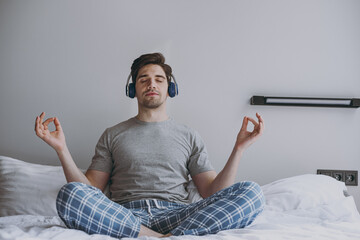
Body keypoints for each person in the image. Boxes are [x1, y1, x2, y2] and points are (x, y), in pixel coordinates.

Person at [34, 53, 265, 238]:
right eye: (143, 79)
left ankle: (167, 234)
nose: (151, 84)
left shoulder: (189, 135)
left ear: (170, 89)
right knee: (69, 194)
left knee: (252, 192)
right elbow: (90, 190)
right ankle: (159, 237)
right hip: (124, 214)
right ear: (133, 89)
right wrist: (61, 149)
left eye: (159, 79)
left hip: (178, 214)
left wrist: (239, 149)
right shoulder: (113, 134)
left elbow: (211, 192)